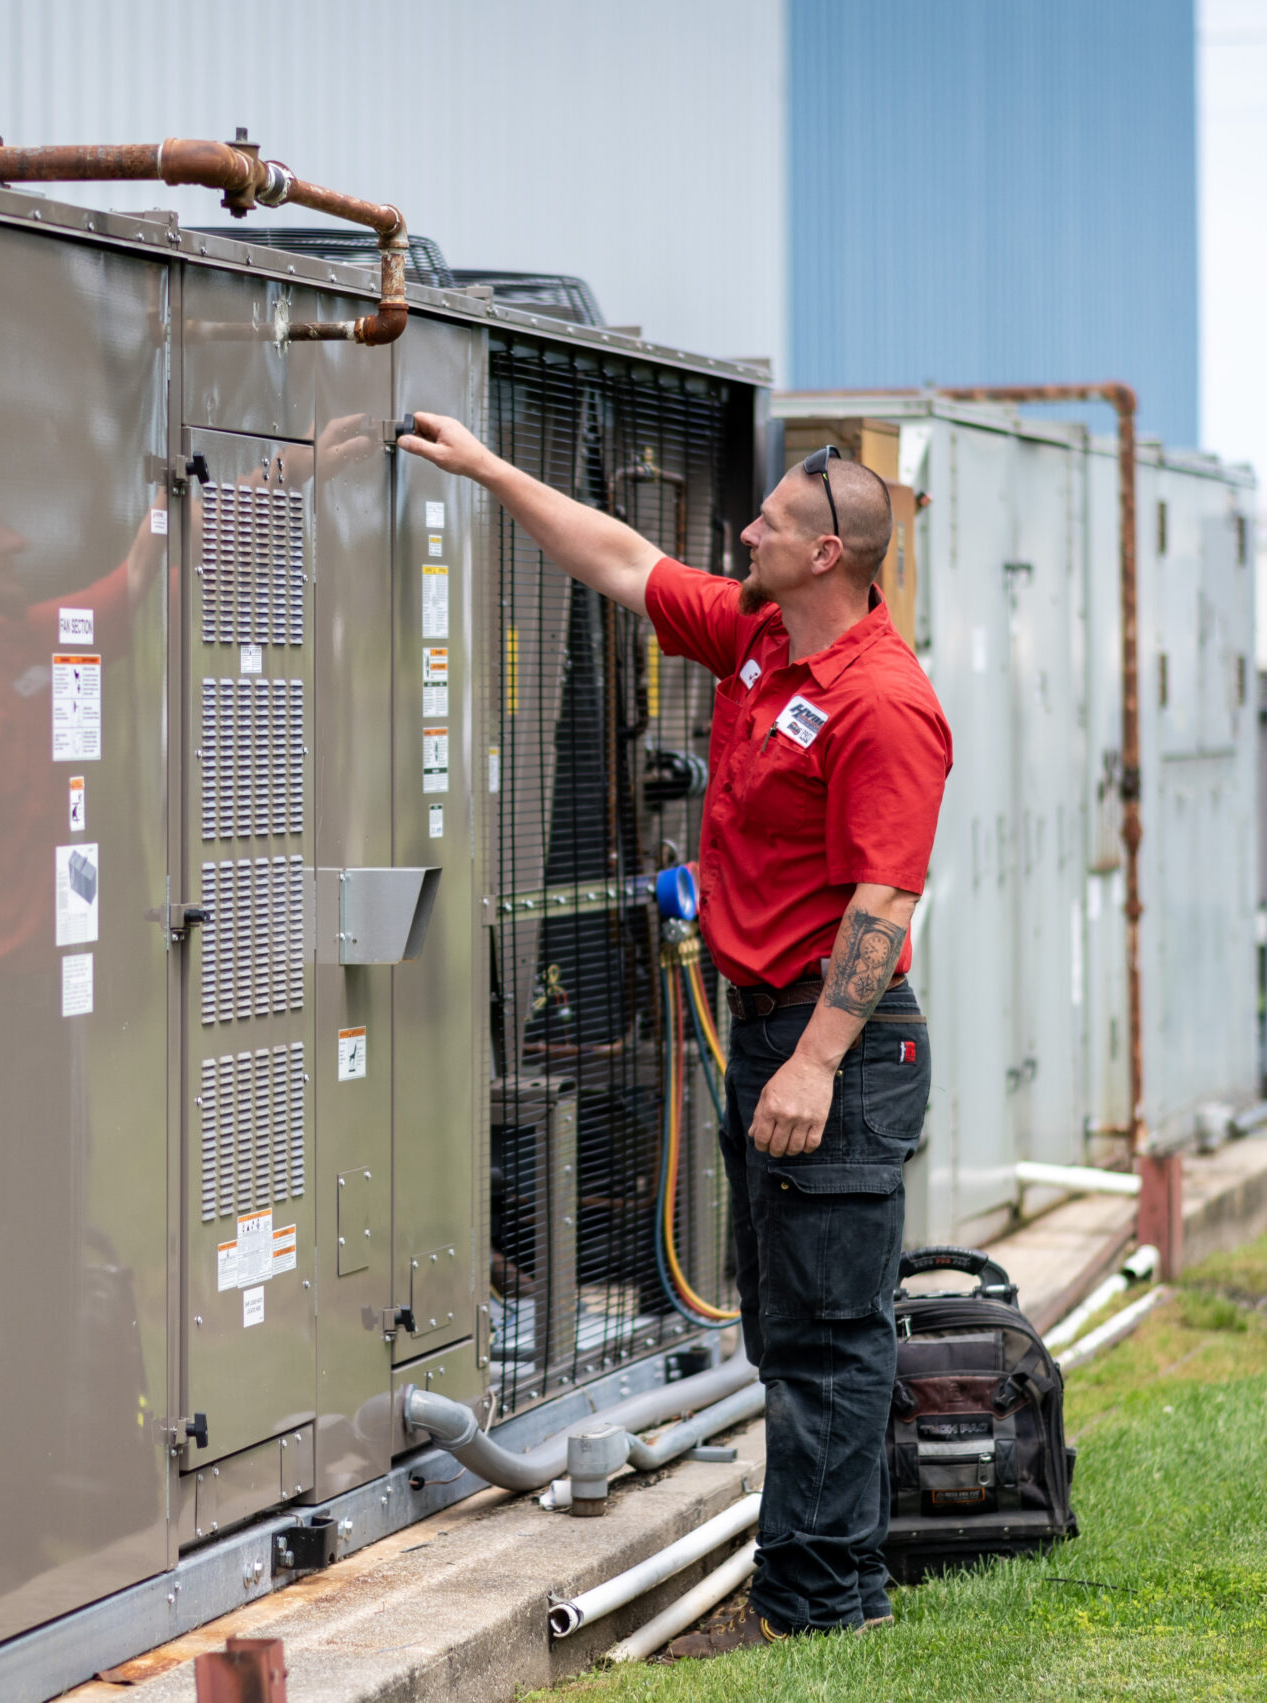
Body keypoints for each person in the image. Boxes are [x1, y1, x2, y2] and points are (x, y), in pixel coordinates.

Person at [400, 414, 952, 1646]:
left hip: (838, 1047)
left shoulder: (880, 701)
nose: (744, 529)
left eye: (770, 522)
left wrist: (814, 1058)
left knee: (826, 1338)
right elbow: (616, 557)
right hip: (771, 1034)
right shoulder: (760, 638)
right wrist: (489, 469)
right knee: (785, 1327)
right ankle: (841, 1593)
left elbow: (883, 898)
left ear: (828, 558)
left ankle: (811, 1608)